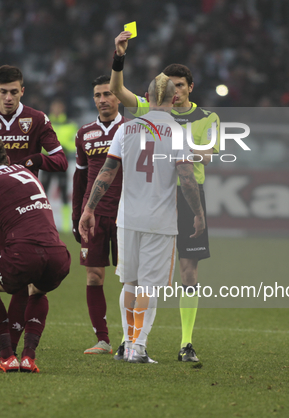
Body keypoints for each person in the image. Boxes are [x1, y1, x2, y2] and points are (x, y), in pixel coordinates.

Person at [79, 73, 205, 364]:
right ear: (175, 99)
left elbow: (107, 172)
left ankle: (126, 345)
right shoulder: (178, 132)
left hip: (127, 218)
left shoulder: (126, 129)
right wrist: (198, 214)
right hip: (159, 221)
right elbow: (187, 179)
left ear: (146, 98)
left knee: (130, 283)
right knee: (150, 285)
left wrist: (89, 209)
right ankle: (138, 347)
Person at [110, 31, 220, 362]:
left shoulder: (206, 118)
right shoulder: (149, 107)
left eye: (181, 86)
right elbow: (117, 91)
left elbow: (211, 154)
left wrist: (179, 148)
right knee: (138, 276)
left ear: (189, 88)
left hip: (186, 195)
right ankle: (130, 341)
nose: (175, 91)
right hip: (153, 193)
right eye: (171, 86)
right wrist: (119, 56)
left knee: (188, 271)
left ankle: (185, 343)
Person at [0, 65, 68, 368]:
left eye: (14, 91)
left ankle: (7, 347)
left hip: (24, 212)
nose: (9, 97)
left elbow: (60, 160)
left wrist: (31, 160)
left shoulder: (37, 120)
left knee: (24, 283)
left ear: (22, 91)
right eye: (3, 91)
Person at [72, 75, 125, 355]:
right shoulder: (84, 133)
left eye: (107, 93)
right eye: (97, 95)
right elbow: (79, 180)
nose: (102, 99)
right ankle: (103, 340)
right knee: (93, 276)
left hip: (126, 215)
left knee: (130, 278)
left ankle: (132, 338)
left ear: (118, 96)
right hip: (93, 217)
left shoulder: (132, 130)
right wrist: (76, 216)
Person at [41, 99, 78, 232]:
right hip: (47, 162)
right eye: (54, 106)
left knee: (63, 193)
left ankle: (66, 226)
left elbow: (75, 143)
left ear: (62, 108)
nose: (56, 109)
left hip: (62, 162)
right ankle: (41, 222)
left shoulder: (70, 124)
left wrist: (60, 146)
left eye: (58, 107)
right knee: (42, 193)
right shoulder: (44, 123)